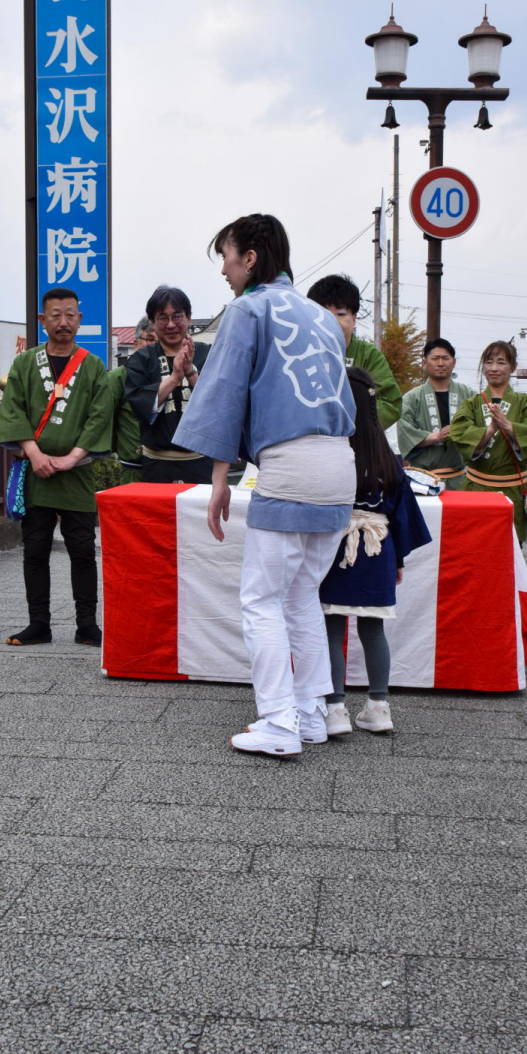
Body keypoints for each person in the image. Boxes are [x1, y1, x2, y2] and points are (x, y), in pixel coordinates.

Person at [175, 213, 357, 758]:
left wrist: (219, 476)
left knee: (260, 598)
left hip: (292, 462)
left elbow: (225, 393)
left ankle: (278, 721)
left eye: (227, 259)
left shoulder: (249, 308)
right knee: (302, 596)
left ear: (249, 258)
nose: (226, 272)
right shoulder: (324, 318)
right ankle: (311, 714)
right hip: (338, 463)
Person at [0, 287, 112, 647]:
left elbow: (99, 415)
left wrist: (73, 456)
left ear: (79, 318)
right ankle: (39, 624)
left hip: (76, 472)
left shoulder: (92, 366)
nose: (63, 322)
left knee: (82, 550)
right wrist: (35, 453)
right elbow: (12, 408)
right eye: (55, 315)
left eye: (70, 314)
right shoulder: (26, 363)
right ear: (43, 321)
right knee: (35, 549)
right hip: (37, 472)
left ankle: (87, 624)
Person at [320, 368, 431, 736]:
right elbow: (402, 514)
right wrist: (396, 561)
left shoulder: (329, 448)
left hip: (335, 548)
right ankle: (378, 707)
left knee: (331, 629)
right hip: (377, 550)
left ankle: (335, 710)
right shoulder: (388, 458)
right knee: (373, 629)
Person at [449, 340, 527, 543]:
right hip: (475, 489)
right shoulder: (472, 403)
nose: (494, 368)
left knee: (509, 551)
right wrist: (489, 431)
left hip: (512, 491)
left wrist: (509, 426)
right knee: (472, 547)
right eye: (489, 361)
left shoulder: (525, 402)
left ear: (512, 367)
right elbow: (459, 433)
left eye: (501, 362)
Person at [124, 286, 212, 483]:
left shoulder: (208, 354)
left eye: (177, 316)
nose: (171, 324)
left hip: (200, 462)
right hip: (157, 465)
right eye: (163, 318)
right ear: (153, 322)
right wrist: (174, 378)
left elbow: (216, 403)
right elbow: (140, 404)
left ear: (188, 318)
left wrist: (190, 372)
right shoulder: (141, 359)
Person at [306, 273, 401, 429]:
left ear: (354, 318)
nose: (332, 322)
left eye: (341, 314)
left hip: (357, 441)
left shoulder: (369, 355)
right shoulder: (302, 351)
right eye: (323, 315)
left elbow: (391, 403)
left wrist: (352, 421)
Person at [397, 338, 476, 487]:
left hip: (459, 480)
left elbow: (479, 428)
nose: (440, 363)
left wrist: (463, 433)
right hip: (422, 481)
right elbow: (405, 433)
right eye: (435, 358)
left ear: (454, 362)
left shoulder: (469, 395)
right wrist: (436, 437)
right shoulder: (411, 398)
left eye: (445, 358)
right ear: (424, 363)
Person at [108, 319, 156, 484]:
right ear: (135, 343)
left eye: (159, 341)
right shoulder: (119, 376)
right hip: (132, 465)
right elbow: (107, 418)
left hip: (165, 464)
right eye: (149, 339)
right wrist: (121, 447)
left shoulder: (170, 375)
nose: (154, 345)